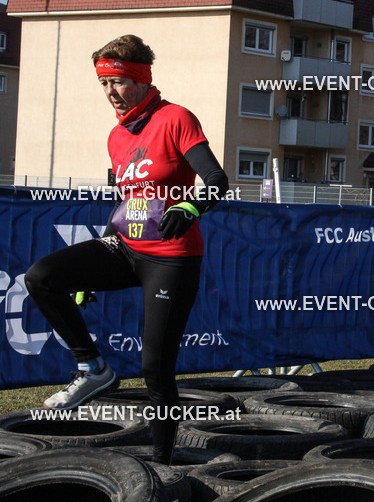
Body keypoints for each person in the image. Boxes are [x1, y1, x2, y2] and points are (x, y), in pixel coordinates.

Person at [26, 34, 229, 464]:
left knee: (155, 368)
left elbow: (217, 180)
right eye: (103, 84)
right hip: (124, 246)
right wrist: (95, 258)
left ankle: (161, 464)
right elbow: (127, 201)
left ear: (140, 79)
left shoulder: (176, 118)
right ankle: (93, 369)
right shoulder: (117, 137)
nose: (110, 93)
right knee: (42, 277)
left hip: (171, 258)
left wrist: (191, 206)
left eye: (117, 82)